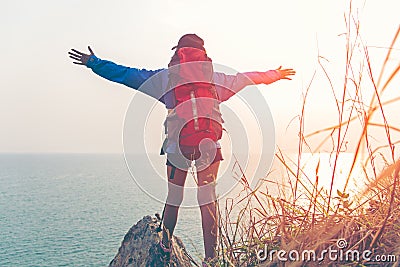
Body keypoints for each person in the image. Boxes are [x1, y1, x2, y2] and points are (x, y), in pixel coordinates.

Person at [68, 33, 295, 266]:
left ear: (178, 53)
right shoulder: (216, 79)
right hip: (210, 147)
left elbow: (126, 74)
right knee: (208, 200)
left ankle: (165, 245)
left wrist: (94, 63)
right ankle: (211, 258)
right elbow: (247, 78)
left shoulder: (165, 79)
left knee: (174, 197)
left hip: (178, 147)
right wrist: (274, 75)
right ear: (203, 55)